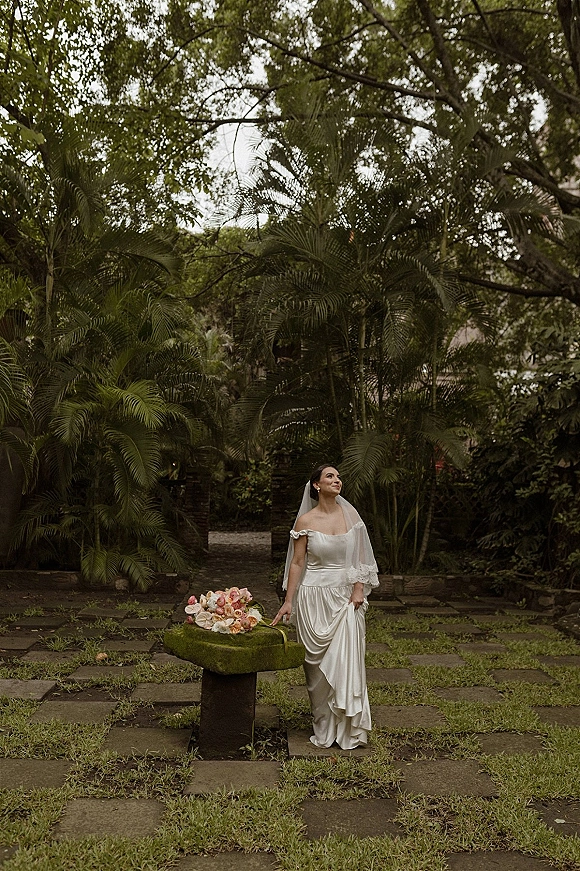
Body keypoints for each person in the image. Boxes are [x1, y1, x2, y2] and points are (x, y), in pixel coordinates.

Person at [272, 464, 379, 749]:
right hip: (312, 597)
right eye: (329, 476)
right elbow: (297, 563)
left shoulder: (351, 516)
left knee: (348, 659)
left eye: (338, 476)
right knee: (316, 669)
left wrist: (358, 588)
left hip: (345, 599)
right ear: (316, 485)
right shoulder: (305, 521)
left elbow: (360, 559)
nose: (337, 480)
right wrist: (288, 601)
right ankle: (323, 726)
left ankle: (348, 730)